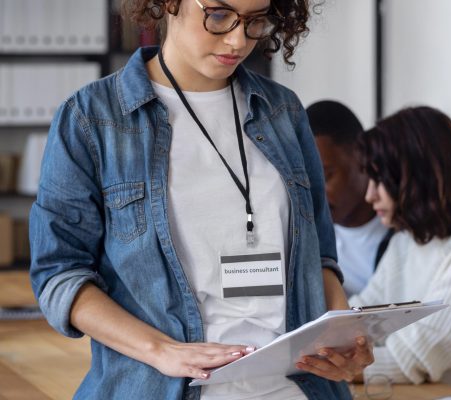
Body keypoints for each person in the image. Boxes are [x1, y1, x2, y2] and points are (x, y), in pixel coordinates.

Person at [29, 1, 373, 399]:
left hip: (299, 389)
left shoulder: (283, 111)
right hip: (161, 388)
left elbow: (320, 258)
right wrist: (161, 351)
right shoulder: (92, 118)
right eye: (219, 15)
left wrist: (342, 332)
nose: (237, 40)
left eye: (255, 20)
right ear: (169, 4)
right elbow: (60, 274)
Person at [349, 106, 451, 395]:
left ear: (417, 176)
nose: (370, 195)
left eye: (380, 180)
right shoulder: (407, 239)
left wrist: (338, 366)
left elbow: (422, 354)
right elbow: (362, 317)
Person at [306, 100, 393, 297]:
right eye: (305, 182)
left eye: (326, 177)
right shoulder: (309, 245)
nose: (314, 195)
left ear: (362, 157)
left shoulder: (407, 229)